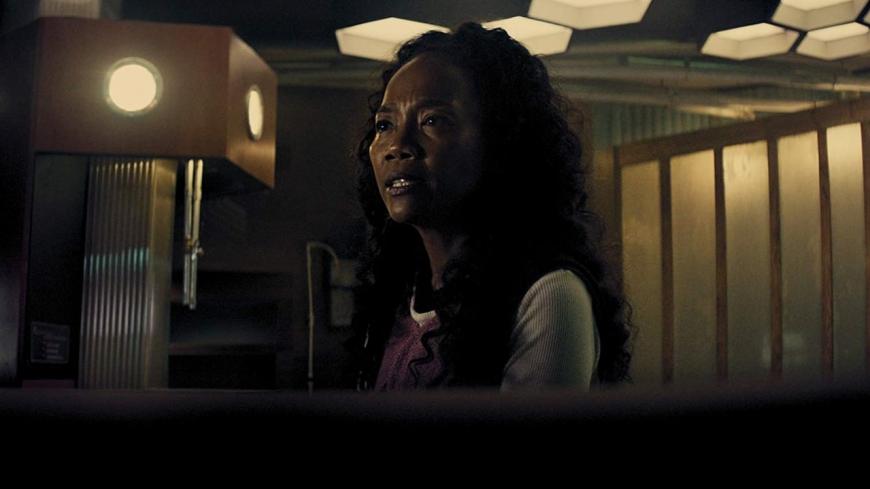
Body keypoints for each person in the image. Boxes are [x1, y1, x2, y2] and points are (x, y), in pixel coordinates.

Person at [347, 22, 632, 391]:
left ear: (500, 141)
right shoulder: (398, 293)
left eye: (432, 120)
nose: (397, 146)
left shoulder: (549, 295)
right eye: (385, 125)